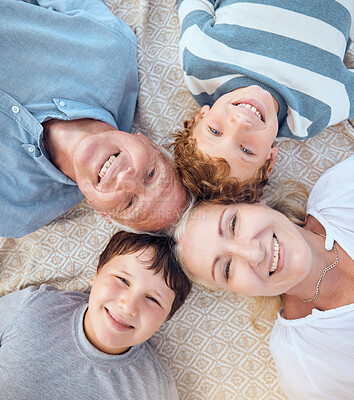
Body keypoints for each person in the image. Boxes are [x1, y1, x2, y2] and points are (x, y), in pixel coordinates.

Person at [1, 0, 187, 238]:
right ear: (149, 143)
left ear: (103, 214)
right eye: (150, 175)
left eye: (129, 204)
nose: (125, 179)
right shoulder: (109, 48)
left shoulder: (17, 211)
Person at [173, 155, 354, 399]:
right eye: (227, 269)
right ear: (239, 292)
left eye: (234, 224)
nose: (254, 253)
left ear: (254, 201)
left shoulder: (341, 189)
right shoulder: (306, 368)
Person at [171, 0, 354, 199]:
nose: (240, 123)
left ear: (201, 116)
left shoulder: (200, 62)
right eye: (247, 150)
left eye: (215, 131)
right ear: (270, 161)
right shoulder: (313, 113)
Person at [0, 230, 192, 399]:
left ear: (163, 320)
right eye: (123, 280)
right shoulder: (35, 306)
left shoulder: (154, 388)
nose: (128, 307)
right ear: (97, 274)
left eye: (152, 299)